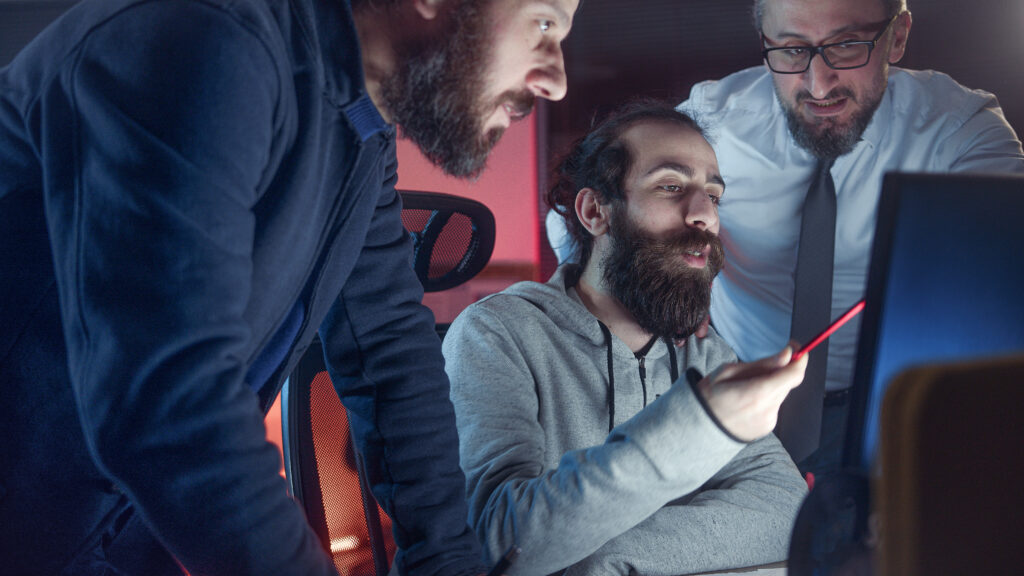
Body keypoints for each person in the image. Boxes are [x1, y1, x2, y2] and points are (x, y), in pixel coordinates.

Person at [0, 0, 577, 574]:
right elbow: (169, 402)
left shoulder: (358, 130)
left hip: (100, 532)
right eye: (544, 23)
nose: (556, 79)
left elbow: (391, 355)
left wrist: (450, 563)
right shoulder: (213, 36)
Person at [444, 101, 809, 576]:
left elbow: (787, 509)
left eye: (714, 196)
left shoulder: (705, 353)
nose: (704, 215)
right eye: (671, 187)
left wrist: (609, 558)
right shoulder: (498, 334)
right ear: (596, 211)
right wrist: (696, 427)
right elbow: (500, 543)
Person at [677, 0, 1024, 475]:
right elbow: (585, 223)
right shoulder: (708, 122)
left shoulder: (960, 128)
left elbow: (1012, 258)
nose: (819, 85)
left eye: (847, 46)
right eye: (792, 50)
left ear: (897, 37)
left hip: (895, 411)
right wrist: (667, 281)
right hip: (734, 393)